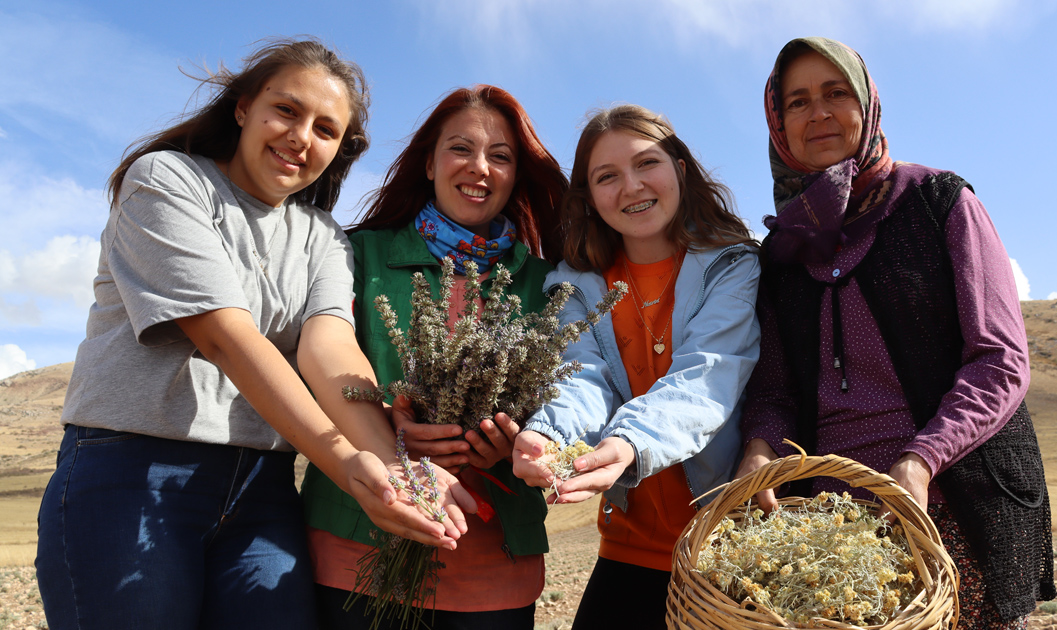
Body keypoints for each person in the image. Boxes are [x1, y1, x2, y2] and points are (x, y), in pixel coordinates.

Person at [35, 39, 474, 630]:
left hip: (261, 488)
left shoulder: (323, 237)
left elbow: (330, 351)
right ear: (243, 108)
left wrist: (394, 465)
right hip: (129, 469)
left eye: (325, 128)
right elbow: (226, 339)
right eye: (286, 111)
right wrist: (348, 464)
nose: (300, 137)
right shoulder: (166, 181)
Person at [736, 37, 1056, 629]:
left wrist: (920, 459)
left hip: (951, 499)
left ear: (867, 105)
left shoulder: (938, 202)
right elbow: (775, 390)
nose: (819, 113)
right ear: (779, 123)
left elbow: (998, 358)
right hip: (832, 526)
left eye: (836, 94)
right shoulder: (783, 253)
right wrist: (759, 448)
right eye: (798, 102)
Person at [301, 84, 569, 630]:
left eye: (501, 156)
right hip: (357, 552)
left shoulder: (549, 286)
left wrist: (515, 438)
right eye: (460, 148)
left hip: (493, 568)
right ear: (428, 162)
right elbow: (311, 368)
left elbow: (575, 391)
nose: (480, 168)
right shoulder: (356, 254)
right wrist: (387, 427)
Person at [512, 104, 761, 630]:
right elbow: (581, 375)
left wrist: (626, 443)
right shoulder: (575, 285)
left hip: (724, 549)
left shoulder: (733, 265)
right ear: (589, 198)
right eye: (607, 176)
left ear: (681, 169)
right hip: (627, 550)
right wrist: (549, 433)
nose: (631, 187)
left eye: (647, 163)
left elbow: (708, 376)